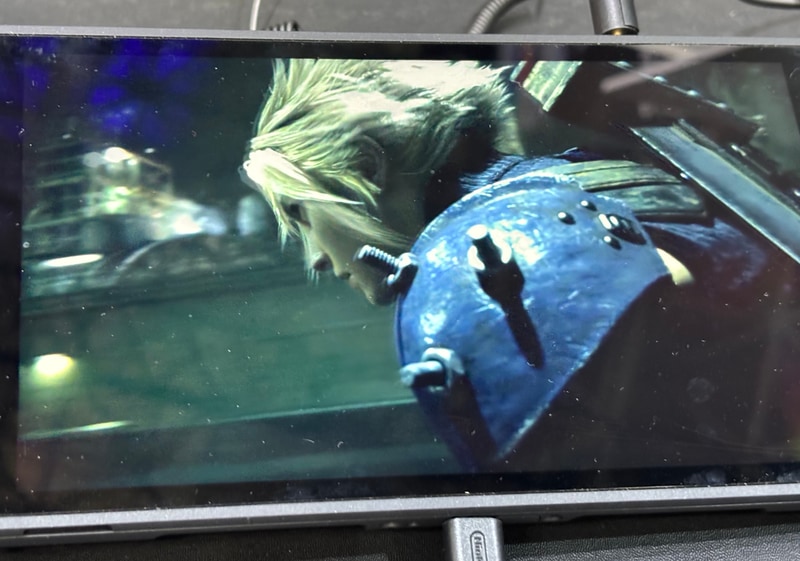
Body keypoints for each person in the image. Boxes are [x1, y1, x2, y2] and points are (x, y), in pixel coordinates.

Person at [242, 58, 798, 472]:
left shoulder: (524, 252)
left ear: (367, 165)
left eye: (301, 214)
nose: (315, 256)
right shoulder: (590, 178)